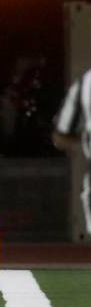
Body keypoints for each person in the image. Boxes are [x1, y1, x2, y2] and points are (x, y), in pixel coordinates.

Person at [52, 70, 91, 232]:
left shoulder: (85, 83)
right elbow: (60, 136)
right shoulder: (85, 83)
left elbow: (60, 136)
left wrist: (83, 144)